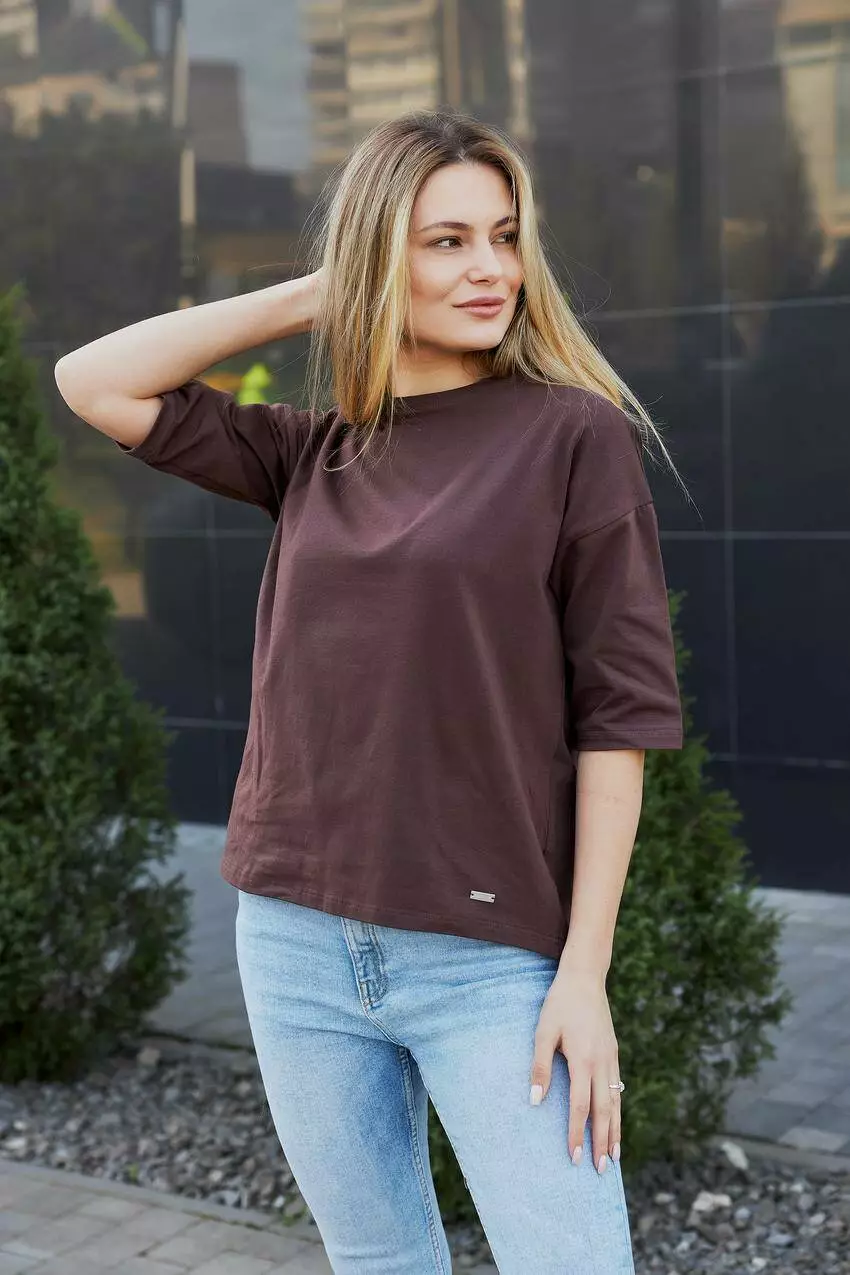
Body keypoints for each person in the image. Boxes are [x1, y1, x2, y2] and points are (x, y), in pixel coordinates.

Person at [54, 108, 684, 1274]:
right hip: (292, 936)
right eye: (444, 240)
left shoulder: (571, 438)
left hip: (486, 952)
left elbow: (621, 718)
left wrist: (583, 974)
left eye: (503, 236)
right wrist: (323, 291)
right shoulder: (313, 453)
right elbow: (91, 379)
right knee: (378, 1260)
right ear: (376, 255)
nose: (490, 268)